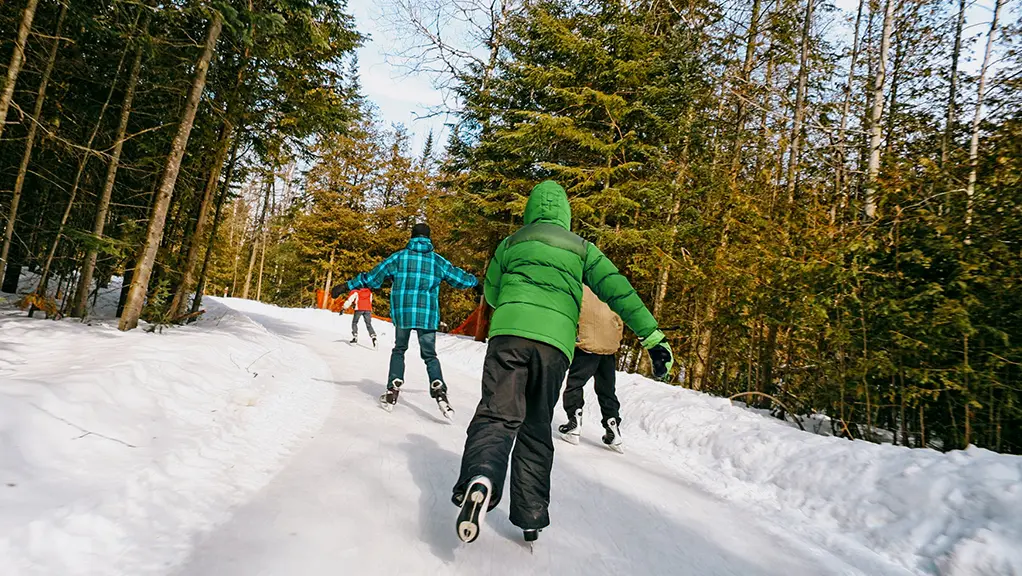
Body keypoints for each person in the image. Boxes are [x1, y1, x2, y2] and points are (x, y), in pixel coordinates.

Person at [452, 180, 673, 544]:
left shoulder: (511, 243)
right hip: (553, 347)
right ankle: (531, 516)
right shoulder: (584, 250)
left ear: (530, 210)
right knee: (536, 426)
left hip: (509, 337)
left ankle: (482, 476)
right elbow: (620, 291)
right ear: (566, 214)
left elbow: (490, 293)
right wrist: (652, 338)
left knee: (497, 415)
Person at [331, 223, 478, 417]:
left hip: (404, 314)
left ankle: (393, 387)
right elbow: (459, 278)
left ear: (412, 236)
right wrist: (477, 284)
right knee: (430, 355)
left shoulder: (399, 257)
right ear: (428, 238)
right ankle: (439, 389)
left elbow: (373, 277)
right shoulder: (437, 261)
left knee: (399, 349)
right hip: (427, 315)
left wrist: (345, 286)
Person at [558, 285, 626, 453]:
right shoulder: (609, 289)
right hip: (608, 348)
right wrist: (614, 341)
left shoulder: (578, 287)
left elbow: (570, 312)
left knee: (575, 384)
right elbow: (619, 320)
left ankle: (574, 422)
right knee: (607, 390)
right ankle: (613, 427)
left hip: (587, 346)